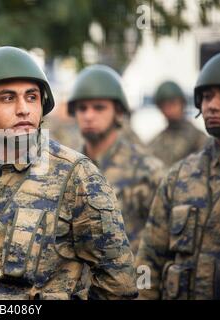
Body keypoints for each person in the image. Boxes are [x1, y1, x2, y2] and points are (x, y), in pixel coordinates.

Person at [0, 47, 137, 300]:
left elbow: (118, 285)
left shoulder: (76, 175)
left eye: (31, 97)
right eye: (7, 98)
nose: (23, 109)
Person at [136, 53, 220, 299]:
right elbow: (149, 260)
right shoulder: (178, 177)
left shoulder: (193, 137)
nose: (212, 105)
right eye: (206, 96)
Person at [68, 65, 164, 254]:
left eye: (99, 108)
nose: (88, 116)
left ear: (118, 112)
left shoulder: (146, 170)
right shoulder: (66, 168)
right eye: (82, 108)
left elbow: (163, 239)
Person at [148, 80, 207, 167]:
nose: (169, 110)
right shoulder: (156, 142)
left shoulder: (197, 137)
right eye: (164, 106)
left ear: (182, 104)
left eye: (173, 104)